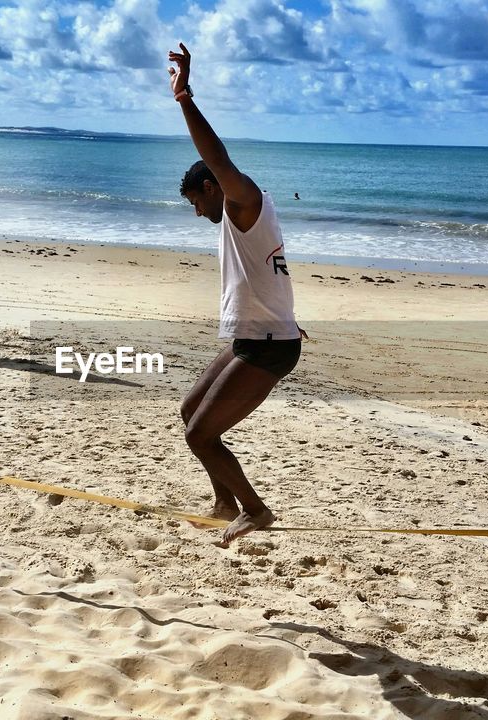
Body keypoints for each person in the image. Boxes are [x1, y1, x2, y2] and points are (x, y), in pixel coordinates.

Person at [168, 42, 302, 545]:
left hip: (268, 344)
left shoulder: (244, 202)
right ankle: (225, 501)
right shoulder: (241, 219)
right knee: (191, 413)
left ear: (210, 187)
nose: (196, 212)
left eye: (195, 201)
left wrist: (185, 98)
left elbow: (217, 156)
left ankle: (255, 510)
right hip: (258, 335)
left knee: (200, 435)